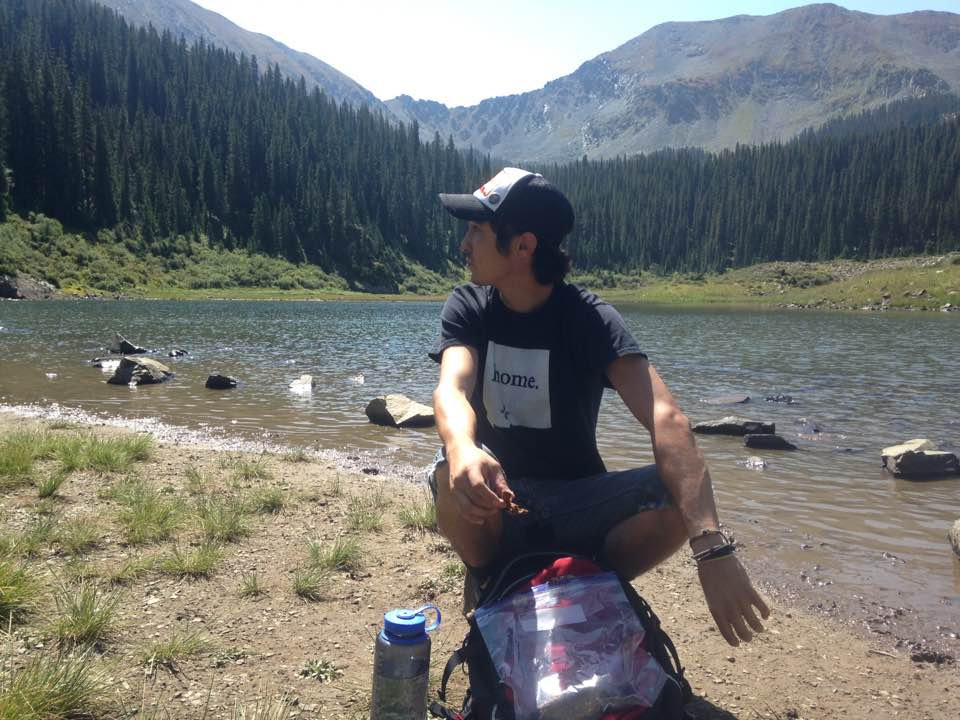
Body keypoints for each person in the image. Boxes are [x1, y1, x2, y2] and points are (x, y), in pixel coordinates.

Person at [427, 167, 769, 646]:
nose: (464, 244)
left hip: (579, 505)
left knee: (676, 492)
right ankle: (491, 582)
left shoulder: (588, 318)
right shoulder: (469, 305)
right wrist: (463, 446)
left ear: (523, 246)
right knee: (449, 470)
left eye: (476, 231)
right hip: (497, 502)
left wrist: (711, 547)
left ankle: (589, 582)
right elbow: (453, 388)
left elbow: (666, 417)